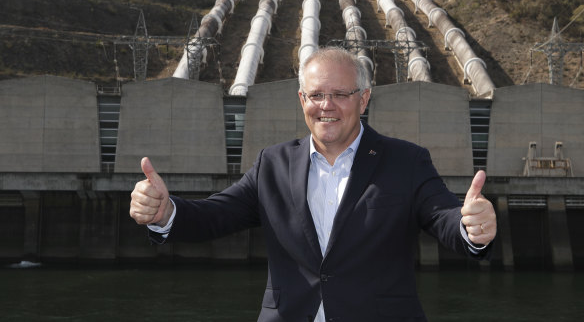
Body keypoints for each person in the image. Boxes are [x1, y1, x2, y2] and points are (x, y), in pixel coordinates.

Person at [130, 47, 497, 321]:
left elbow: (443, 216)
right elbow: (215, 214)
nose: (327, 105)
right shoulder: (272, 163)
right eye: (317, 94)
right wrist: (166, 212)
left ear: (364, 99)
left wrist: (471, 227)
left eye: (341, 94)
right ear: (302, 100)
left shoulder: (406, 161)